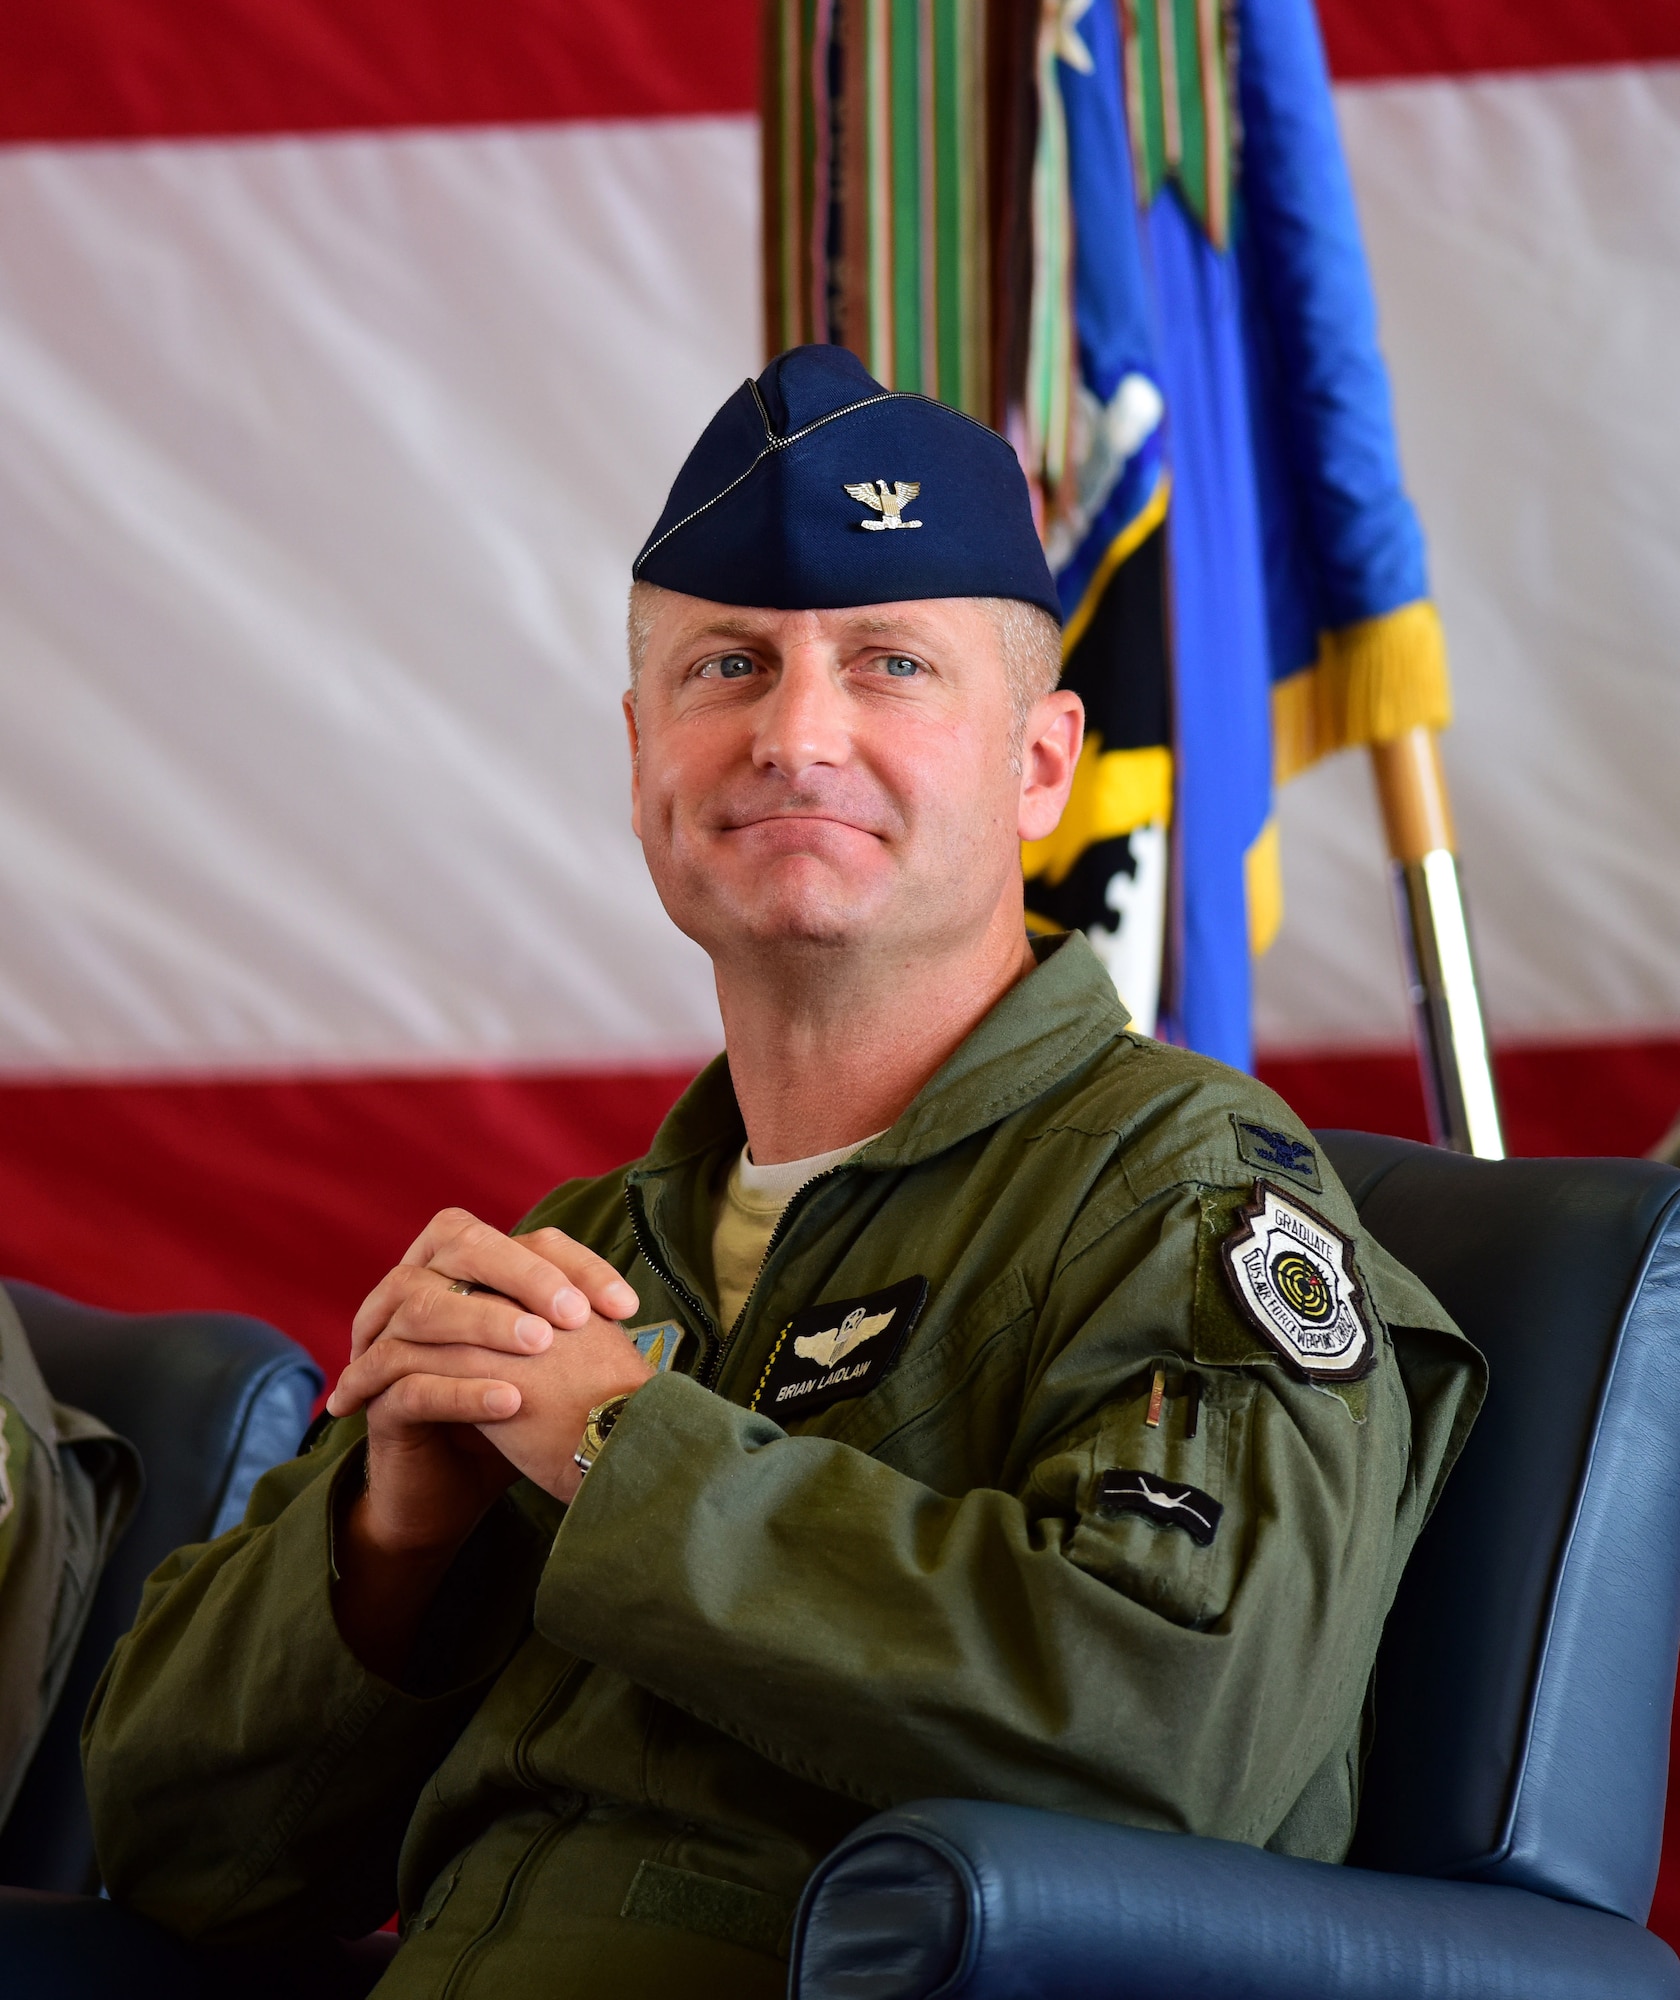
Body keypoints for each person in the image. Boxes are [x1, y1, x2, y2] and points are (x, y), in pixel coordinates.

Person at [83, 346, 1484, 1998]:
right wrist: (394, 1544)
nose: (793, 736)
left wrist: (618, 1449)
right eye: (726, 668)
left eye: (890, 666)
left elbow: (1175, 1724)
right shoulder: (575, 1255)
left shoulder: (1185, 1204)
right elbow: (165, 1850)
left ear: (1041, 764)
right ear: (640, 756)